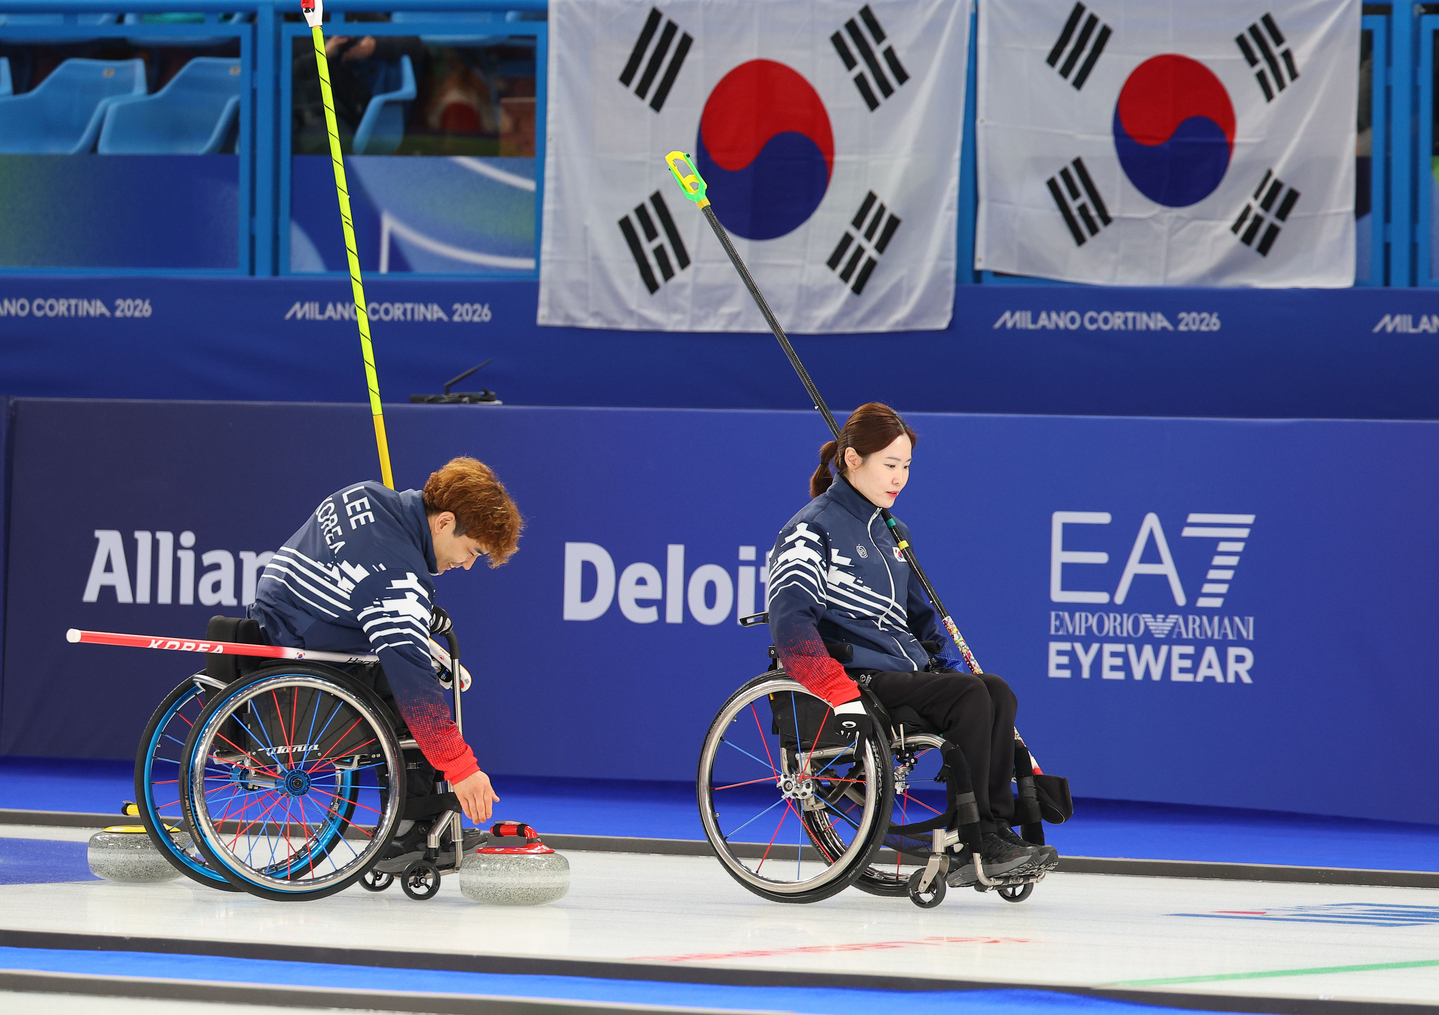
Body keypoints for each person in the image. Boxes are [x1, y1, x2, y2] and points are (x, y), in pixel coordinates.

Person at [767, 403, 1057, 882]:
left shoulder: (894, 532)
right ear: (853, 460)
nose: (899, 478)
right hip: (855, 678)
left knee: (994, 689)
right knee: (969, 696)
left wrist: (940, 664)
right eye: (889, 465)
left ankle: (995, 830)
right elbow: (791, 625)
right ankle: (976, 838)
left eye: (906, 467)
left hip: (902, 673)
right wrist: (837, 692)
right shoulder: (809, 528)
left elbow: (919, 618)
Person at [248, 456, 521, 828]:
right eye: (472, 551)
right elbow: (415, 689)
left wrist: (412, 609)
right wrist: (461, 767)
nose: (468, 564)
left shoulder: (364, 494)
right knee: (416, 706)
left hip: (276, 625)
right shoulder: (395, 578)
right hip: (305, 660)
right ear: (444, 522)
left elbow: (358, 577)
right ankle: (410, 832)